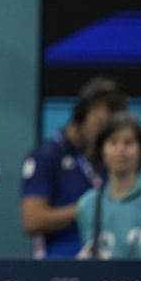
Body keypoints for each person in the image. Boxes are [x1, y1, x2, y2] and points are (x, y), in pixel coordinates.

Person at [20, 76, 127, 258]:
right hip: (57, 268)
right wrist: (87, 208)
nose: (104, 135)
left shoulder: (106, 160)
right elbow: (32, 220)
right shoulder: (47, 156)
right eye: (100, 124)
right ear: (81, 115)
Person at [77, 112, 141, 259]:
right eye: (112, 142)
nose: (120, 149)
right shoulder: (86, 204)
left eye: (128, 142)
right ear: (101, 150)